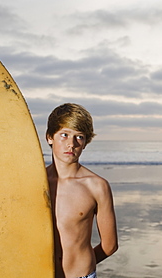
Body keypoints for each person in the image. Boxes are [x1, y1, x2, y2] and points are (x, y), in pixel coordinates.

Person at [46, 103, 118, 278]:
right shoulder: (33, 182)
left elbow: (110, 245)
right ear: (50, 137)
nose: (71, 144)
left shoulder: (96, 186)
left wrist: (85, 265)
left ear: (86, 143)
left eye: (79, 137)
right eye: (64, 135)